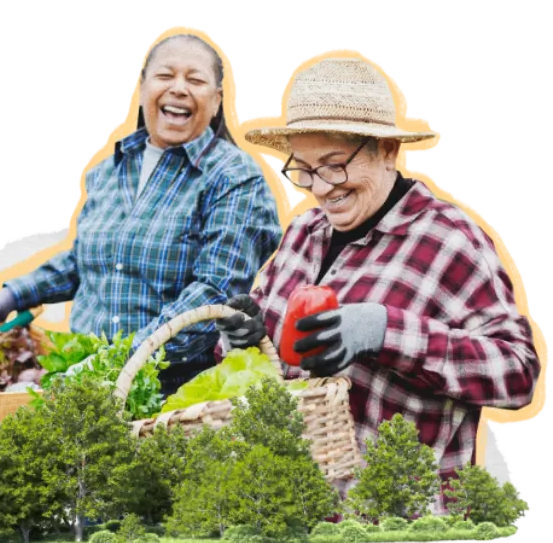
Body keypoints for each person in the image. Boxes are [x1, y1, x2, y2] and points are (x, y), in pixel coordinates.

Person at [214, 57, 541, 515]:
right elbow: (271, 359)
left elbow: (517, 372)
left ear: (386, 150)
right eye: (303, 169)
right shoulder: (304, 233)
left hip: (398, 523)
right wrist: (241, 339)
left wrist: (384, 332)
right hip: (294, 514)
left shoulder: (449, 241)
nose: (319, 188)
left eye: (333, 165)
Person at [0, 33, 283, 397]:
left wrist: (113, 365)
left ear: (217, 100)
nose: (178, 88)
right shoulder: (111, 170)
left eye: (195, 79)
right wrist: (14, 295)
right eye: (165, 75)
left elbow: (214, 293)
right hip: (78, 382)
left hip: (164, 395)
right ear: (142, 88)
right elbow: (86, 260)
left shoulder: (235, 178)